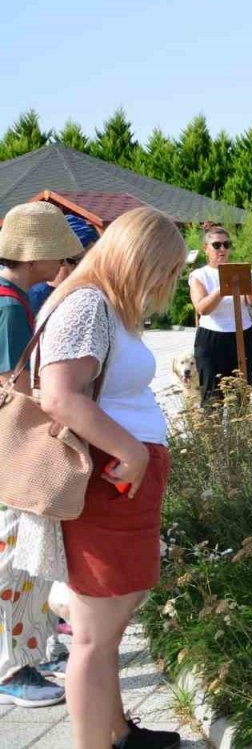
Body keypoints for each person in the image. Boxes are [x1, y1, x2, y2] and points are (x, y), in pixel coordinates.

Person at [38, 206, 189, 747]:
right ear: (140, 257)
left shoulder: (102, 305)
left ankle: (116, 732)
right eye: (166, 269)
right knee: (93, 639)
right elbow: (59, 395)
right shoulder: (88, 304)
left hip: (119, 482)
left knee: (103, 631)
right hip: (110, 483)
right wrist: (134, 453)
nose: (167, 282)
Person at [0, 202, 82, 709]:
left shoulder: (11, 294)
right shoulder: (11, 304)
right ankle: (14, 665)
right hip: (15, 447)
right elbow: (16, 382)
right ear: (39, 256)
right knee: (16, 553)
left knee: (25, 550)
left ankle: (35, 645)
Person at [188, 226, 252, 402]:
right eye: (217, 245)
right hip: (213, 338)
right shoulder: (200, 275)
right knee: (213, 396)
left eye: (226, 245)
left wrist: (246, 278)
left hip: (243, 335)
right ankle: (213, 431)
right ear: (206, 248)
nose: (222, 249)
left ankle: (241, 429)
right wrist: (223, 288)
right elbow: (202, 308)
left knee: (241, 395)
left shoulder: (239, 270)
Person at [29, 214, 99, 316]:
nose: (92, 267)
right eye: (84, 260)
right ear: (62, 260)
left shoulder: (90, 292)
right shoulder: (36, 298)